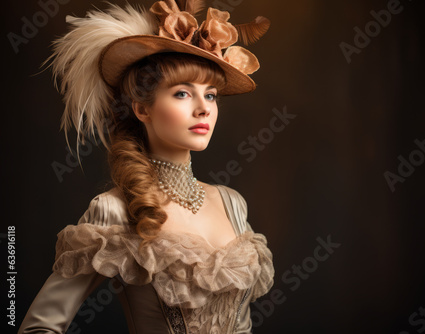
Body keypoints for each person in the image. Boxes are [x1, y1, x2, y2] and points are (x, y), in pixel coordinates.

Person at [18, 1, 274, 333]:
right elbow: (39, 327)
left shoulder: (232, 203)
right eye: (182, 93)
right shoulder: (113, 210)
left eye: (210, 95)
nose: (203, 109)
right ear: (142, 109)